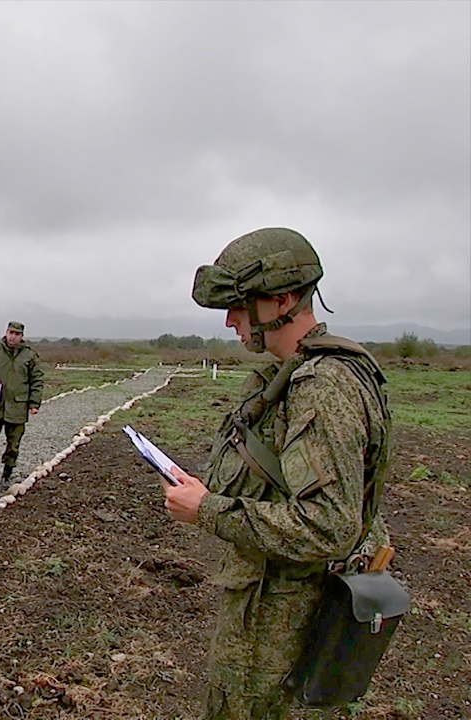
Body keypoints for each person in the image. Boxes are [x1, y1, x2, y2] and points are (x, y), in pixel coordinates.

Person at [165, 227, 391, 720]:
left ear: (282, 300)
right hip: (270, 616)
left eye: (240, 305)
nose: (230, 321)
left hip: (280, 630)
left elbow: (328, 526)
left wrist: (208, 510)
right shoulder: (297, 373)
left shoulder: (322, 385)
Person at [0, 321, 44, 488]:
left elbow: (37, 380)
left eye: (17, 334)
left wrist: (34, 403)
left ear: (21, 336)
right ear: (6, 332)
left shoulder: (29, 355)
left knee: (13, 445)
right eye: (11, 333)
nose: (13, 336)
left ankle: (7, 474)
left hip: (18, 407)